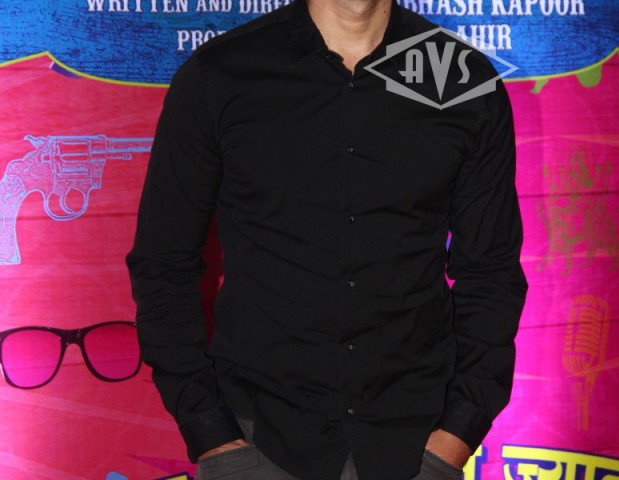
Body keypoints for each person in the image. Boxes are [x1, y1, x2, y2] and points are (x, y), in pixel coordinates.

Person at [124, 0, 529, 478]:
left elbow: (491, 272)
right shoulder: (222, 75)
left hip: (415, 442)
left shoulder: (461, 79)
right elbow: (163, 263)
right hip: (258, 438)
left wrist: (455, 435)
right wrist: (211, 434)